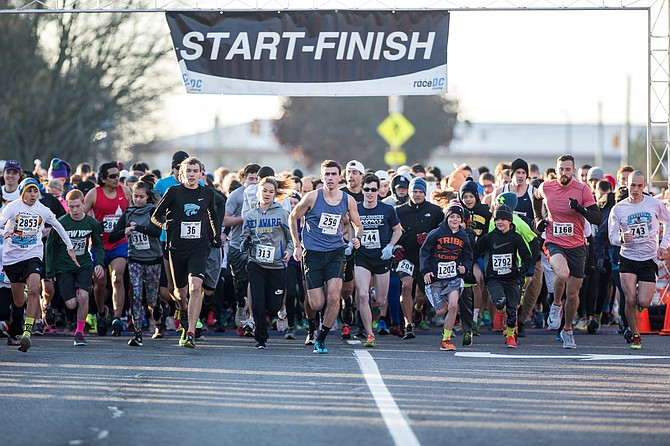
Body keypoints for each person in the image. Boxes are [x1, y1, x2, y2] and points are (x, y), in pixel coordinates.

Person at [289, 160, 363, 354]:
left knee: (334, 295)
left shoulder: (348, 200)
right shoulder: (312, 198)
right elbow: (293, 217)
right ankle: (313, 324)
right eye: (326, 174)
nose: (330, 178)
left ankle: (321, 339)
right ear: (322, 177)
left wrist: (357, 239)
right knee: (316, 303)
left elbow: (357, 224)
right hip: (312, 254)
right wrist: (297, 245)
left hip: (335, 253)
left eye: (333, 174)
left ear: (340, 177)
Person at [0, 178, 79, 352]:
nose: (32, 195)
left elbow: (58, 225)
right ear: (22, 193)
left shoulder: (42, 209)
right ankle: (24, 309)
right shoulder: (13, 207)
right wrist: (5, 231)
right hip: (12, 257)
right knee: (19, 300)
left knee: (35, 289)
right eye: (29, 191)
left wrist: (70, 247)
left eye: (35, 191)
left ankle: (27, 332)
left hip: (33, 254)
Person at [533, 154, 601, 349]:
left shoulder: (582, 189)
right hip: (554, 241)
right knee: (562, 273)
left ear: (573, 170)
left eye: (568, 169)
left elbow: (597, 218)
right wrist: (538, 218)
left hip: (578, 245)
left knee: (573, 294)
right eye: (561, 169)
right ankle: (555, 304)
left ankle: (567, 329)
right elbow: (535, 197)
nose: (564, 173)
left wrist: (580, 209)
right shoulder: (547, 186)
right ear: (556, 170)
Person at [151, 157, 220, 348]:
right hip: (177, 248)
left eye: (195, 171)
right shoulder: (173, 192)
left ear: (200, 174)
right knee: (180, 293)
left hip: (198, 247)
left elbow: (213, 215)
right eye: (188, 171)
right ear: (182, 174)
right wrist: (164, 224)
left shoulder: (207, 193)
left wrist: (216, 235)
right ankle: (182, 310)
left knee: (196, 287)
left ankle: (190, 332)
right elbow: (155, 216)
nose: (191, 174)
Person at [608, 170, 670, 349]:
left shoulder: (655, 204)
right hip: (627, 257)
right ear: (626, 185)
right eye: (632, 185)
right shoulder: (618, 208)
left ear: (644, 186)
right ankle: (635, 335)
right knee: (629, 300)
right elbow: (611, 236)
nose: (635, 189)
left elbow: (668, 222)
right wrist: (621, 238)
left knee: (643, 301)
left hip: (648, 258)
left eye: (639, 186)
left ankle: (639, 308)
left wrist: (664, 245)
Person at [240, 177, 294, 349]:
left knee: (273, 306)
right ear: (258, 192)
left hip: (277, 265)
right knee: (257, 302)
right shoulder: (250, 215)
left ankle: (278, 312)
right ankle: (261, 338)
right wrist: (245, 244)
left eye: (271, 191)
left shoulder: (282, 214)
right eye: (264, 191)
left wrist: (289, 251)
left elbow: (291, 238)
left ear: (275, 194)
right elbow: (243, 240)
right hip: (256, 263)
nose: (267, 194)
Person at [45, 189, 104, 346]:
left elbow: (98, 245)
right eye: (71, 207)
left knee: (84, 297)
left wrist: (99, 263)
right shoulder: (61, 223)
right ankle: (55, 303)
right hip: (63, 267)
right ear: (67, 205)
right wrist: (50, 272)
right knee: (71, 304)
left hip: (84, 264)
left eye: (78, 206)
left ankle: (79, 333)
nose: (75, 210)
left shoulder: (91, 223)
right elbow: (50, 248)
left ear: (84, 203)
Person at [109, 180, 163, 347]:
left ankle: (157, 316)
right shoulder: (128, 213)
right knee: (137, 295)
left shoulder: (153, 212)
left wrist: (138, 228)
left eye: (141, 197)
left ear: (147, 197)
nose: (138, 200)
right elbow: (112, 237)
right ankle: (137, 334)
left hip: (153, 260)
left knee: (152, 299)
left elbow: (157, 231)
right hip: (135, 260)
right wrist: (124, 231)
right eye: (135, 196)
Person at [83, 161, 132, 336]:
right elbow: (81, 215)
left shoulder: (125, 192)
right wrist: (94, 225)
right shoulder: (93, 194)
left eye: (118, 175)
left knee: (118, 276)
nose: (117, 178)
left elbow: (133, 212)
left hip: (119, 243)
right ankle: (101, 313)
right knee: (100, 282)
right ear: (103, 178)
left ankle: (117, 318)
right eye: (112, 176)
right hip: (98, 245)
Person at [354, 173, 402, 348]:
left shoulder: (388, 210)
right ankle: (369, 334)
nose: (370, 193)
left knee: (381, 300)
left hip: (382, 258)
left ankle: (375, 296)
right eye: (366, 189)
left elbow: (398, 231)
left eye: (373, 189)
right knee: (362, 294)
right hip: (363, 257)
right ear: (362, 190)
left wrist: (390, 246)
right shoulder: (356, 209)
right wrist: (351, 242)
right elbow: (345, 228)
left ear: (378, 191)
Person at [475, 204, 533, 348]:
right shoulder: (489, 238)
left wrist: (521, 270)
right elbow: (475, 253)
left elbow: (527, 257)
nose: (499, 222)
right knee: (500, 302)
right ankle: (500, 311)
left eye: (503, 219)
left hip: (512, 278)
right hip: (494, 279)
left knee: (512, 309)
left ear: (510, 221)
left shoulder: (516, 238)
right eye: (497, 219)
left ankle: (510, 336)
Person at [419, 201, 473, 351]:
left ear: (462, 220)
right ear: (446, 218)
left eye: (457, 217)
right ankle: (422, 309)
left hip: (453, 278)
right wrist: (426, 270)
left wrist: (465, 267)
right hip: (436, 278)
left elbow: (468, 256)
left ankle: (446, 339)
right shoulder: (436, 233)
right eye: (451, 217)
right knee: (441, 310)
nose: (454, 220)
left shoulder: (463, 236)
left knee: (454, 305)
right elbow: (424, 252)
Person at [395, 177, 443, 338]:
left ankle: (418, 309)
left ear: (425, 193)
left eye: (420, 192)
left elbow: (442, 233)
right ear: (409, 192)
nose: (417, 195)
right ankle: (408, 324)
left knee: (421, 295)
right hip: (406, 255)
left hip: (426, 258)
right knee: (406, 286)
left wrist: (429, 237)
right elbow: (393, 233)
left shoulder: (435, 211)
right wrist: (396, 247)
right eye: (414, 191)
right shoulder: (399, 211)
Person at [223, 163, 260, 335]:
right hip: (237, 244)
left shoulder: (264, 195)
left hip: (257, 245)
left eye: (257, 178)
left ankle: (253, 319)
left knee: (255, 281)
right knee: (240, 283)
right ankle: (240, 305)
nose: (254, 182)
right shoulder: (236, 196)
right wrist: (244, 217)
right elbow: (225, 220)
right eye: (251, 178)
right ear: (243, 179)